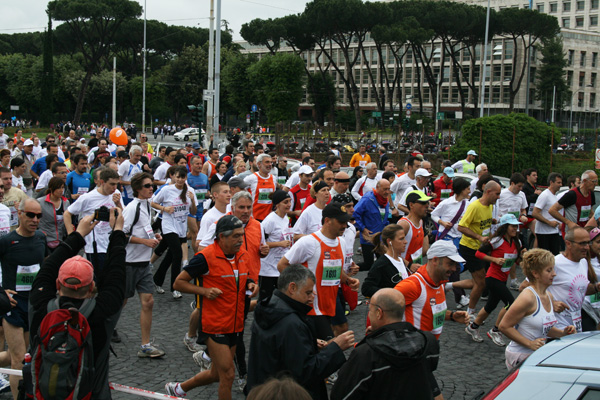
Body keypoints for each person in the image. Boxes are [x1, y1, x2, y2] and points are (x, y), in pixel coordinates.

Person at [29, 212, 126, 399]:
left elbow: (47, 270)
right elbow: (116, 272)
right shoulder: (103, 311)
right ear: (92, 287)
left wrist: (78, 235)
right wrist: (117, 231)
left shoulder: (40, 303)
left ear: (57, 284)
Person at [166, 215, 258, 399]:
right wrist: (204, 291)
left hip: (235, 324)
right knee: (229, 374)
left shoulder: (242, 255)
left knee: (216, 374)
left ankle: (178, 389)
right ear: (221, 237)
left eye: (242, 235)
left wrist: (250, 284)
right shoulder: (205, 257)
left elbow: (243, 277)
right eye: (236, 236)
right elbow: (178, 283)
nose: (240, 240)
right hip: (214, 325)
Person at [246, 265, 352, 399]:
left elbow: (280, 349)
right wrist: (336, 347)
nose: (312, 296)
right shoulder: (291, 323)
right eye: (308, 292)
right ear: (292, 288)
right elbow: (306, 372)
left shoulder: (270, 309)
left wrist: (309, 342)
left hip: (265, 392)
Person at [394, 240, 470, 400]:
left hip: (428, 352)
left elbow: (429, 310)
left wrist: (451, 316)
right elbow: (381, 308)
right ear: (435, 260)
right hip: (412, 357)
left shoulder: (439, 283)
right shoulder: (412, 285)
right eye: (450, 263)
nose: (455, 269)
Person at [331, 288, 439, 400]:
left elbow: (341, 394)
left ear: (379, 313)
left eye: (370, 309)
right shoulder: (428, 341)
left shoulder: (365, 354)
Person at [278, 203, 360, 341]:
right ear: (327, 221)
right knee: (325, 349)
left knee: (335, 336)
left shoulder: (341, 242)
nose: (345, 226)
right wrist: (301, 290)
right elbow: (282, 265)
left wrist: (347, 280)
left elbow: (335, 269)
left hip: (330, 304)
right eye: (341, 222)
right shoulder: (309, 242)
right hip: (311, 309)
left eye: (346, 222)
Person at [0, 199, 47, 397]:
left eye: (39, 216)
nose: (35, 220)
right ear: (19, 214)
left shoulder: (41, 238)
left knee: (22, 354)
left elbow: (44, 266)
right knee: (19, 358)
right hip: (12, 304)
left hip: (33, 303)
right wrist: (0, 292)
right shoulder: (6, 240)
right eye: (30, 215)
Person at [499, 249, 576, 370]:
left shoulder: (549, 296)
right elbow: (504, 326)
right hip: (519, 356)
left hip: (534, 355)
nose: (554, 274)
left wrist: (563, 333)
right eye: (549, 270)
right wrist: (529, 344)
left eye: (553, 269)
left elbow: (543, 328)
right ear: (535, 274)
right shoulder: (527, 297)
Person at [122, 172, 165, 358]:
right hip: (128, 263)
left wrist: (153, 237)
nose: (151, 188)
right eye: (147, 186)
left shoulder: (147, 205)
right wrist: (144, 242)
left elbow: (144, 229)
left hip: (144, 263)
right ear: (138, 189)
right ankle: (102, 332)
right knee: (119, 302)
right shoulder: (132, 208)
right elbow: (120, 236)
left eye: (152, 185)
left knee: (148, 302)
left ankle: (145, 345)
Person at [464, 214, 522, 346]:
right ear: (505, 227)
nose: (515, 229)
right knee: (511, 303)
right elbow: (478, 253)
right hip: (492, 278)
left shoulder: (516, 242)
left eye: (516, 226)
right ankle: (496, 330)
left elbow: (516, 261)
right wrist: (494, 260)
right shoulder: (497, 240)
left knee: (491, 306)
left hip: (502, 279)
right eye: (513, 226)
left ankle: (472, 328)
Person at [64, 168, 123, 273]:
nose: (114, 188)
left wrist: (118, 204)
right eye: (111, 184)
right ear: (102, 182)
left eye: (116, 184)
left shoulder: (116, 194)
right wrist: (71, 234)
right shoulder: (88, 197)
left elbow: (123, 216)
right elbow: (68, 213)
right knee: (97, 280)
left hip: (111, 244)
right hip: (95, 246)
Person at [151, 166, 196, 299]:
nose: (180, 179)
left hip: (181, 227)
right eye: (178, 177)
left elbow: (193, 212)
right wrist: (164, 208)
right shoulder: (167, 190)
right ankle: (175, 287)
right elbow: (153, 203)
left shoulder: (190, 191)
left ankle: (157, 280)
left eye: (183, 177)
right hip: (168, 226)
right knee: (178, 254)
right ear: (173, 177)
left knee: (170, 255)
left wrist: (193, 200)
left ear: (186, 178)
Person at [458, 180, 501, 319]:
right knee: (481, 282)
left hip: (481, 248)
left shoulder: (489, 206)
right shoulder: (474, 206)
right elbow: (461, 227)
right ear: (488, 192)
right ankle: (470, 312)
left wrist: (491, 225)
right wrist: (478, 237)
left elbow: (483, 226)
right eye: (497, 194)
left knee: (480, 281)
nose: (499, 197)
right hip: (469, 247)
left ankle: (449, 285)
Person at [547, 227, 600, 332]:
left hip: (575, 327)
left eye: (588, 243)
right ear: (568, 244)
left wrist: (596, 288)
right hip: (557, 329)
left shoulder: (583, 262)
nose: (587, 247)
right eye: (582, 243)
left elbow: (580, 289)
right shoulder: (554, 262)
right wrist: (550, 303)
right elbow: (526, 287)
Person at [431, 177, 471, 308]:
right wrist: (442, 222)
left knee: (457, 267)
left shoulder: (468, 204)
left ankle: (444, 285)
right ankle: (460, 297)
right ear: (461, 190)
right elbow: (434, 215)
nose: (470, 191)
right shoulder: (447, 203)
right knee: (455, 268)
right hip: (447, 238)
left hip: (459, 239)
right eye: (467, 188)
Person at [259, 190, 293, 301]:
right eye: (285, 202)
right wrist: (279, 244)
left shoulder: (286, 218)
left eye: (289, 201)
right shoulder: (270, 220)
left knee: (280, 299)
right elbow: (260, 243)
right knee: (266, 300)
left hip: (280, 266)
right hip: (268, 269)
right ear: (277, 204)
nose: (289, 205)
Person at [353, 179, 391, 271]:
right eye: (384, 189)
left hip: (380, 238)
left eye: (388, 189)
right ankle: (348, 270)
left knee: (383, 263)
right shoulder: (367, 199)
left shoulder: (385, 201)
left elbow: (384, 219)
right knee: (368, 264)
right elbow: (354, 214)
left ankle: (377, 282)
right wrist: (363, 229)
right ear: (377, 188)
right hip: (368, 238)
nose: (387, 192)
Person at [362, 224, 409, 298]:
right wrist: (390, 293)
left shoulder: (400, 260)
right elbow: (366, 288)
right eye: (401, 239)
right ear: (389, 241)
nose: (405, 242)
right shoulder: (381, 264)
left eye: (404, 238)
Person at [399, 190, 432, 270]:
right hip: (402, 272)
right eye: (423, 203)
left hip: (414, 272)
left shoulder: (421, 222)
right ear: (411, 205)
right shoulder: (404, 224)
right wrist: (409, 265)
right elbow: (390, 252)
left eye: (428, 203)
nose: (427, 205)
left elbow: (424, 251)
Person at [532, 173, 563, 255]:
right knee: (545, 258)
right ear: (551, 182)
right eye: (558, 183)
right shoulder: (545, 195)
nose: (561, 185)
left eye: (561, 183)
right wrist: (549, 223)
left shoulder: (554, 196)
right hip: (544, 233)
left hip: (554, 231)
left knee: (555, 256)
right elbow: (535, 213)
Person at [37, 177, 70, 251]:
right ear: (51, 188)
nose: (61, 190)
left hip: (61, 240)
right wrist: (39, 232)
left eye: (62, 187)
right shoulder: (40, 202)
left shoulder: (66, 202)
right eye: (59, 188)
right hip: (45, 240)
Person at [244, 154, 277, 222]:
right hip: (254, 217)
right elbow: (238, 189)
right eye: (267, 162)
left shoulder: (273, 178)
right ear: (259, 164)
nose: (270, 164)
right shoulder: (252, 178)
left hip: (269, 218)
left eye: (271, 162)